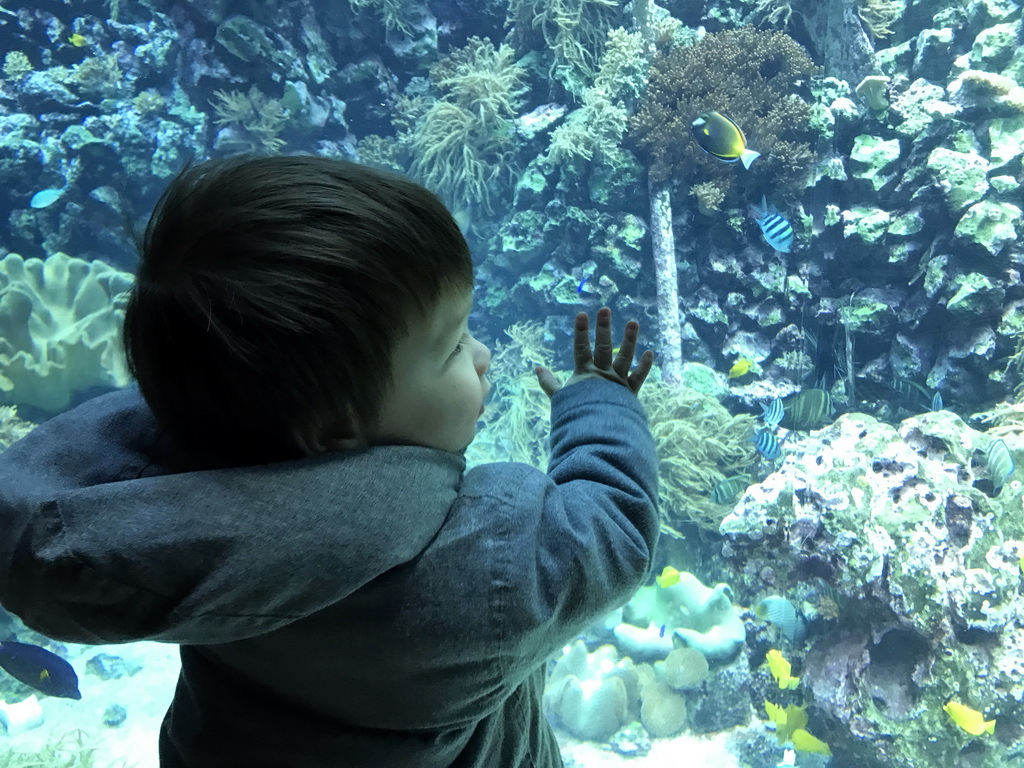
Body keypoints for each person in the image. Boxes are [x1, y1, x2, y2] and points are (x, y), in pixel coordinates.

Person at [0, 155, 659, 767]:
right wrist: (599, 401)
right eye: (454, 345)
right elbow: (611, 531)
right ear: (335, 427)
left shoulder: (177, 523)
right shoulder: (482, 569)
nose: (483, 356)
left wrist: (186, 398)